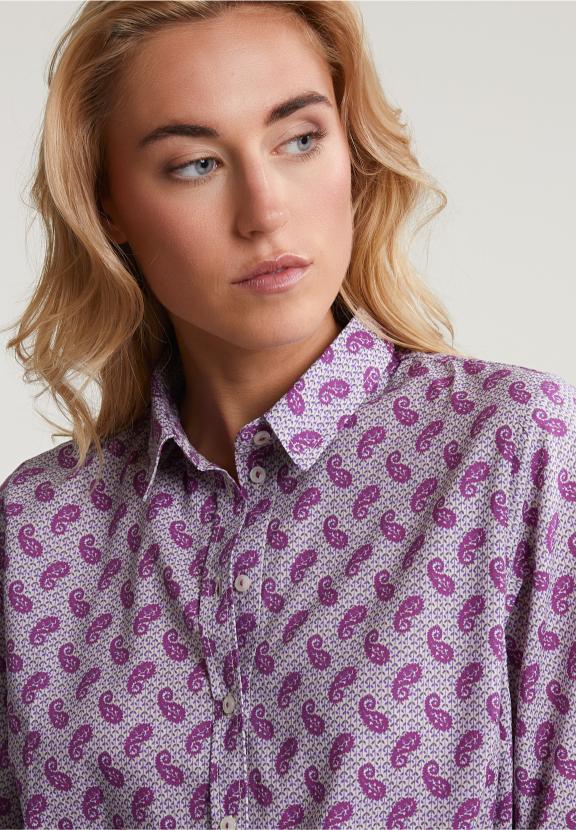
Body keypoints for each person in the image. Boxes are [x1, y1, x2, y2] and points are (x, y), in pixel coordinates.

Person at [1, 2, 575, 828]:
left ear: (352, 151)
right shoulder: (34, 537)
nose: (264, 211)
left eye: (299, 139)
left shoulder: (513, 450)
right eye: (196, 164)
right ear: (109, 205)